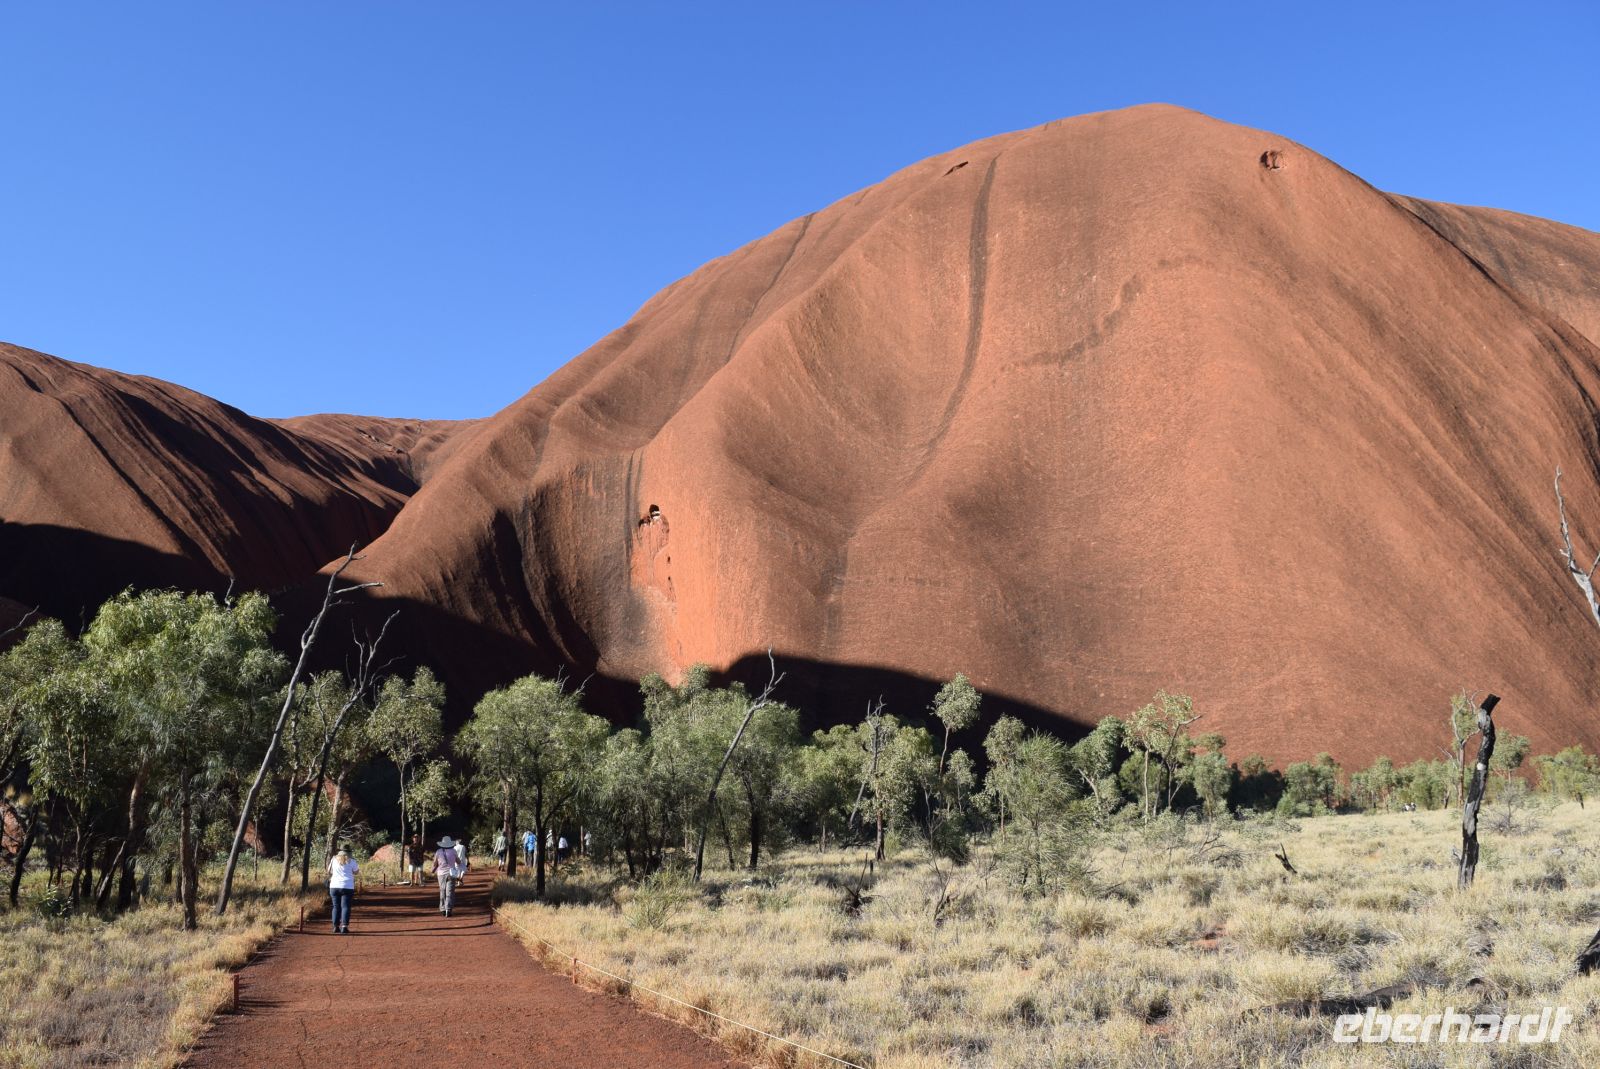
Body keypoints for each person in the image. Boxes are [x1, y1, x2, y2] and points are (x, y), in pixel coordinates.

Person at [327, 845, 358, 934]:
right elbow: (356, 871)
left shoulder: (334, 859)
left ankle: (335, 927)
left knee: (336, 906)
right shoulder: (352, 861)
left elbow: (329, 871)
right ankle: (344, 927)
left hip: (334, 886)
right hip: (347, 886)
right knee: (345, 906)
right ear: (349, 852)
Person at [433, 836, 461, 916]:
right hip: (451, 873)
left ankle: (442, 909)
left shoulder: (438, 851)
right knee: (450, 892)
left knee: (442, 891)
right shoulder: (453, 851)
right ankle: (448, 909)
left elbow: (435, 863)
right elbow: (458, 862)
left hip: (441, 874)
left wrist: (434, 869)